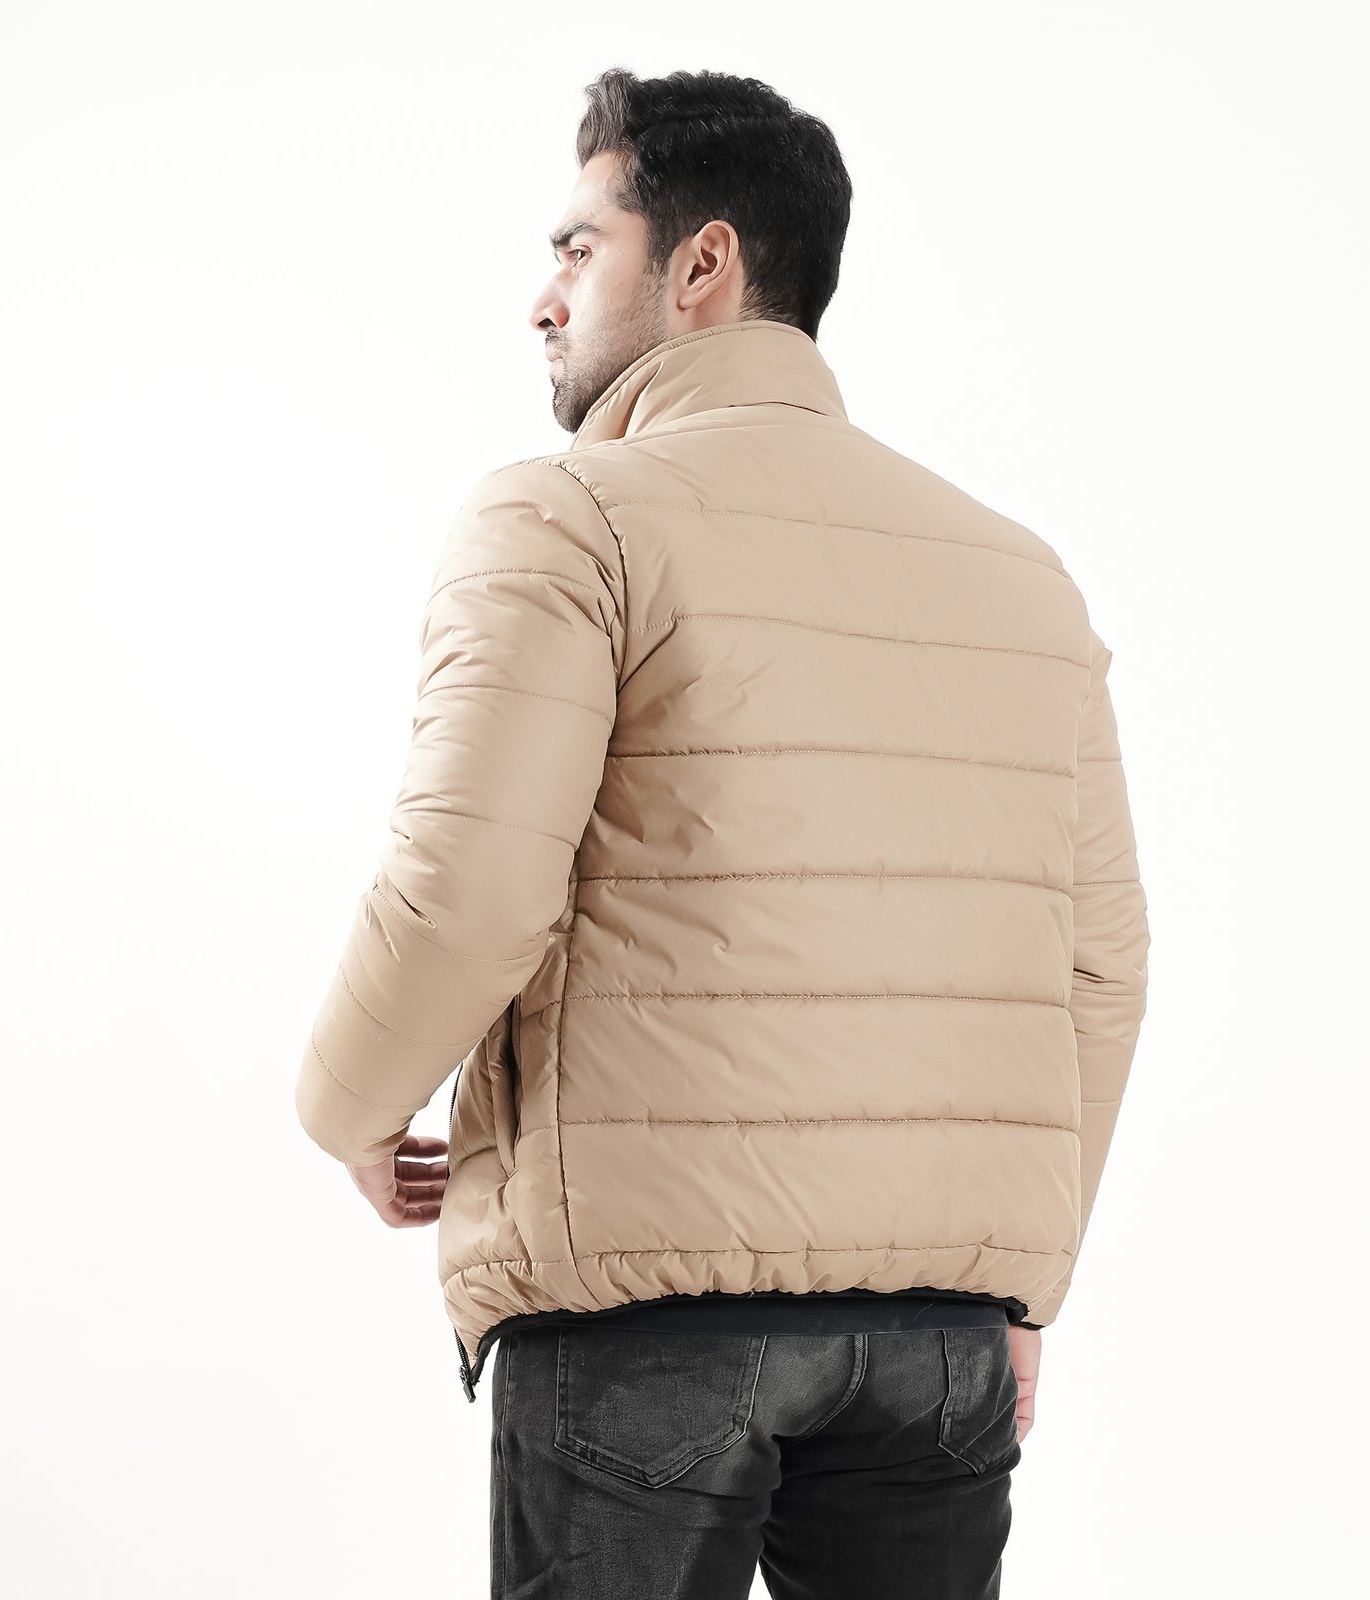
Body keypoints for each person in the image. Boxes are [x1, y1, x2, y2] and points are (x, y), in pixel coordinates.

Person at [296, 65, 1150, 1599]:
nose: (544, 299)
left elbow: (468, 894)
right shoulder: (1022, 577)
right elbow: (1100, 967)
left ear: (704, 265)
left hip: (647, 1322)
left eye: (579, 249)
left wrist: (347, 1110)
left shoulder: (570, 517)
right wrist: (1024, 1287)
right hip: (940, 1344)